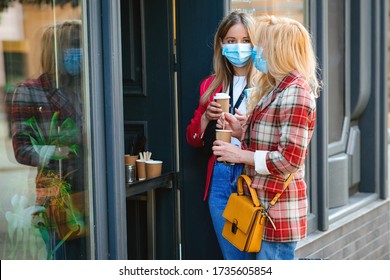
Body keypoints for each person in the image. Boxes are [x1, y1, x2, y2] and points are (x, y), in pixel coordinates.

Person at [213, 15, 320, 260]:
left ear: (278, 50)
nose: (256, 51)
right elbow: (272, 138)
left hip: (277, 213)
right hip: (263, 206)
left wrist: (240, 154)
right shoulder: (277, 87)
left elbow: (289, 160)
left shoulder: (296, 92)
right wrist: (240, 131)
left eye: (262, 46)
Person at [11, 20, 86, 259]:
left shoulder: (88, 87)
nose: (81, 51)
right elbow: (22, 149)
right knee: (64, 256)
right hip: (57, 193)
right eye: (75, 45)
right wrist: (60, 150)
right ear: (57, 50)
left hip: (92, 185)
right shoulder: (30, 91)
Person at [186, 11, 258, 260]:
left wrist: (245, 128)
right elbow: (192, 139)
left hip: (251, 176)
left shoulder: (266, 84)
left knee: (259, 257)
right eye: (231, 41)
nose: (238, 47)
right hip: (219, 175)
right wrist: (206, 116)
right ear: (221, 44)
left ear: (255, 43)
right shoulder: (210, 85)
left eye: (245, 40)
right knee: (233, 258)